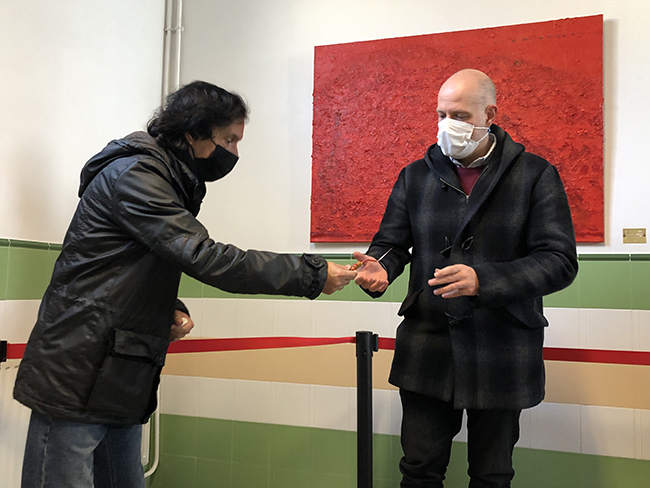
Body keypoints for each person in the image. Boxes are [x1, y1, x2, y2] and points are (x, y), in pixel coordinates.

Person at [13, 81, 357, 488]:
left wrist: (170, 305)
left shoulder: (166, 178)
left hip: (118, 366)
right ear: (193, 132)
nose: (234, 153)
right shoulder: (137, 174)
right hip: (78, 366)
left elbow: (129, 267)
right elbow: (203, 256)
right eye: (228, 139)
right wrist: (312, 273)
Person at [354, 69, 578, 488]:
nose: (446, 125)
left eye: (458, 114)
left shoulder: (534, 174)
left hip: (502, 345)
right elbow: (391, 243)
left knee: (492, 476)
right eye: (441, 114)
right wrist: (380, 266)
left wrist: (484, 280)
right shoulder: (415, 175)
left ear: (489, 114)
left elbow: (559, 261)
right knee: (419, 471)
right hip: (428, 344)